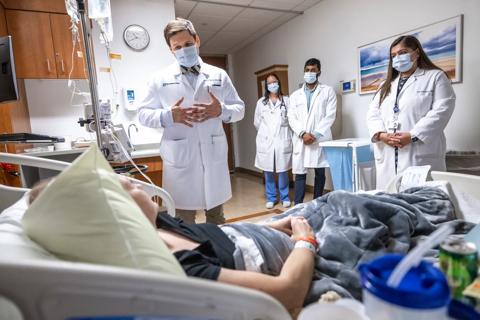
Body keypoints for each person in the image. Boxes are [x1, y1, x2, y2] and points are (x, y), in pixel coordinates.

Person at [29, 177, 316, 312]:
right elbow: (287, 293)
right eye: (125, 187)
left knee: (324, 203)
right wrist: (305, 241)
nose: (134, 181)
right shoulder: (174, 269)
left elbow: (215, 235)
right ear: (113, 211)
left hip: (261, 232)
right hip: (290, 252)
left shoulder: (156, 223)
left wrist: (264, 226)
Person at [138, 18, 245, 224]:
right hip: (180, 160)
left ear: (197, 40)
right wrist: (169, 116)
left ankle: (218, 254)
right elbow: (143, 114)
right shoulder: (159, 78)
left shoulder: (218, 75)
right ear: (171, 50)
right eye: (177, 47)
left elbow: (239, 109)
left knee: (216, 219)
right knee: (184, 221)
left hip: (212, 157)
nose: (183, 50)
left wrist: (220, 110)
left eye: (188, 44)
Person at [366, 35, 455, 190]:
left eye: (402, 52)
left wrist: (413, 135)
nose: (398, 58)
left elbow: (442, 109)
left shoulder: (435, 77)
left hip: (419, 151)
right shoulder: (385, 85)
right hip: (388, 151)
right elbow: (373, 113)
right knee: (390, 201)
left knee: (421, 203)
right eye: (393, 56)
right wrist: (381, 135)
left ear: (417, 53)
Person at [288, 58, 337, 204]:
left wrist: (314, 135)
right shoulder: (295, 95)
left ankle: (317, 203)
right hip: (301, 138)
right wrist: (303, 134)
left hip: (319, 138)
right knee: (300, 173)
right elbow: (291, 117)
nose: (309, 73)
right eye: (307, 70)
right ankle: (298, 205)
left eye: (313, 70)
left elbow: (330, 116)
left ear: (319, 72)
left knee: (320, 172)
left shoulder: (328, 91)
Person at [254, 74, 292, 209]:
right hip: (267, 140)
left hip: (282, 139)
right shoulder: (261, 102)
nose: (272, 85)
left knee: (282, 170)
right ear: (266, 86)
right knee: (268, 170)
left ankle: (285, 197)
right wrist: (267, 134)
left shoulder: (286, 100)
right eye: (269, 83)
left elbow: (291, 119)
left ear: (279, 83)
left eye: (274, 82)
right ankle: (271, 197)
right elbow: (257, 122)